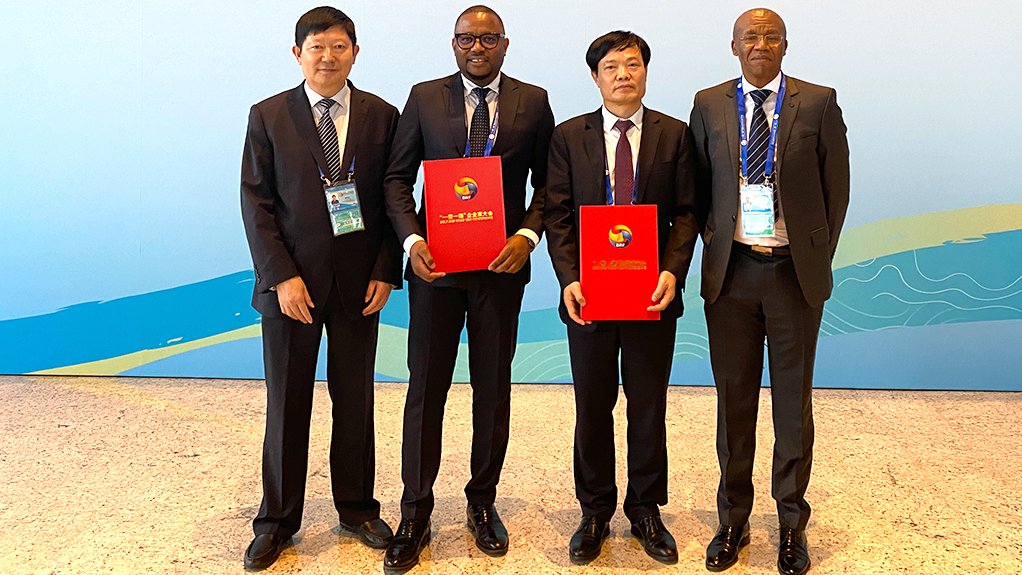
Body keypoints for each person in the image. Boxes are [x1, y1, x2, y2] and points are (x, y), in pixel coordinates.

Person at [381, 5, 554, 573]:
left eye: (487, 38)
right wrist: (411, 242)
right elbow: (396, 179)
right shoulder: (425, 97)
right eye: (465, 38)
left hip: (501, 270)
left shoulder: (534, 100)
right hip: (436, 269)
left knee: (493, 388)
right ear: (452, 44)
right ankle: (416, 511)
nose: (476, 47)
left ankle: (482, 502)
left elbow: (551, 185)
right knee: (425, 389)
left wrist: (528, 236)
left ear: (505, 43)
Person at [239, 6, 402, 571]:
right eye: (316, 47)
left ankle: (356, 508)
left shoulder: (384, 115)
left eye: (339, 46)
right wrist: (281, 276)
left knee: (354, 400)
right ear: (297, 54)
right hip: (292, 287)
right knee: (288, 402)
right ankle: (277, 521)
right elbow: (256, 204)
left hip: (361, 286)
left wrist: (387, 270)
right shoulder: (268, 115)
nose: (327, 57)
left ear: (355, 52)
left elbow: (394, 200)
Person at [688, 8, 850, 575]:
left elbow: (837, 192)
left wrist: (811, 262)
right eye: (749, 36)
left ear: (786, 44)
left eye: (770, 36)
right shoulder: (708, 103)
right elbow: (698, 187)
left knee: (791, 407)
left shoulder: (820, 101)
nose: (760, 43)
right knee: (734, 405)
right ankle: (732, 521)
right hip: (730, 278)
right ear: (733, 46)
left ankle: (789, 527)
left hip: (791, 278)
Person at [543, 31, 700, 566]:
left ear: (646, 72)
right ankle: (594, 511)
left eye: (632, 65)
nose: (623, 74)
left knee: (648, 405)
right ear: (595, 77)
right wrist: (568, 278)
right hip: (589, 295)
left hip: (650, 295)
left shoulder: (674, 135)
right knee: (592, 404)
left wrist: (673, 271)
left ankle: (646, 509)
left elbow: (687, 213)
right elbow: (557, 215)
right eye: (611, 67)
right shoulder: (568, 137)